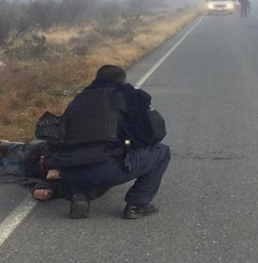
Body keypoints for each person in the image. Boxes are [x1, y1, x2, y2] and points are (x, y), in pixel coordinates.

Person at [48, 64, 170, 220]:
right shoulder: (128, 96)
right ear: (122, 80)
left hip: (69, 171)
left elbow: (56, 137)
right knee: (162, 152)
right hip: (105, 166)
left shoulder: (78, 100)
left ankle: (79, 195)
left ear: (96, 79)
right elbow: (156, 131)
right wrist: (134, 142)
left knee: (89, 156)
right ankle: (136, 205)